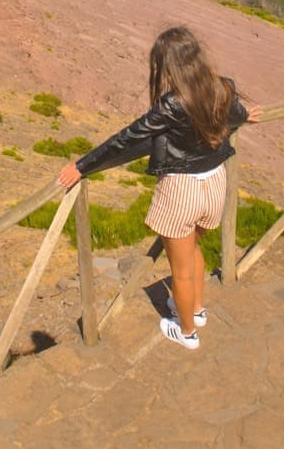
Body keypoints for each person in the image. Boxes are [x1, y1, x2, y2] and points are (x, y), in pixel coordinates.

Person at [58, 25, 261, 350]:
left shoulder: (171, 105)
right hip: (215, 183)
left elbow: (128, 138)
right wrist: (244, 116)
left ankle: (187, 332)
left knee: (179, 269)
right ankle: (196, 310)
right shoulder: (222, 87)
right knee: (193, 251)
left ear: (169, 66)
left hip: (182, 191)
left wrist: (81, 167)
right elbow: (234, 113)